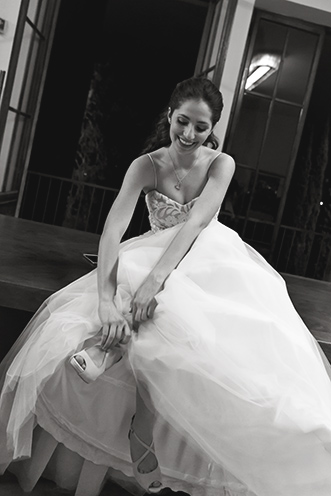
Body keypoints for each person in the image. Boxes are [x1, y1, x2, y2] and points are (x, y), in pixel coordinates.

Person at [1, 77, 331, 496]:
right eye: (182, 122)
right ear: (169, 116)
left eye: (201, 126)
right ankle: (112, 352)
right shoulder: (147, 165)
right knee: (109, 312)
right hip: (152, 251)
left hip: (206, 257)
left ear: (213, 128)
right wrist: (106, 300)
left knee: (173, 314)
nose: (190, 134)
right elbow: (112, 231)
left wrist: (154, 282)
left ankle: (140, 418)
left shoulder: (220, 164)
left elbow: (194, 224)